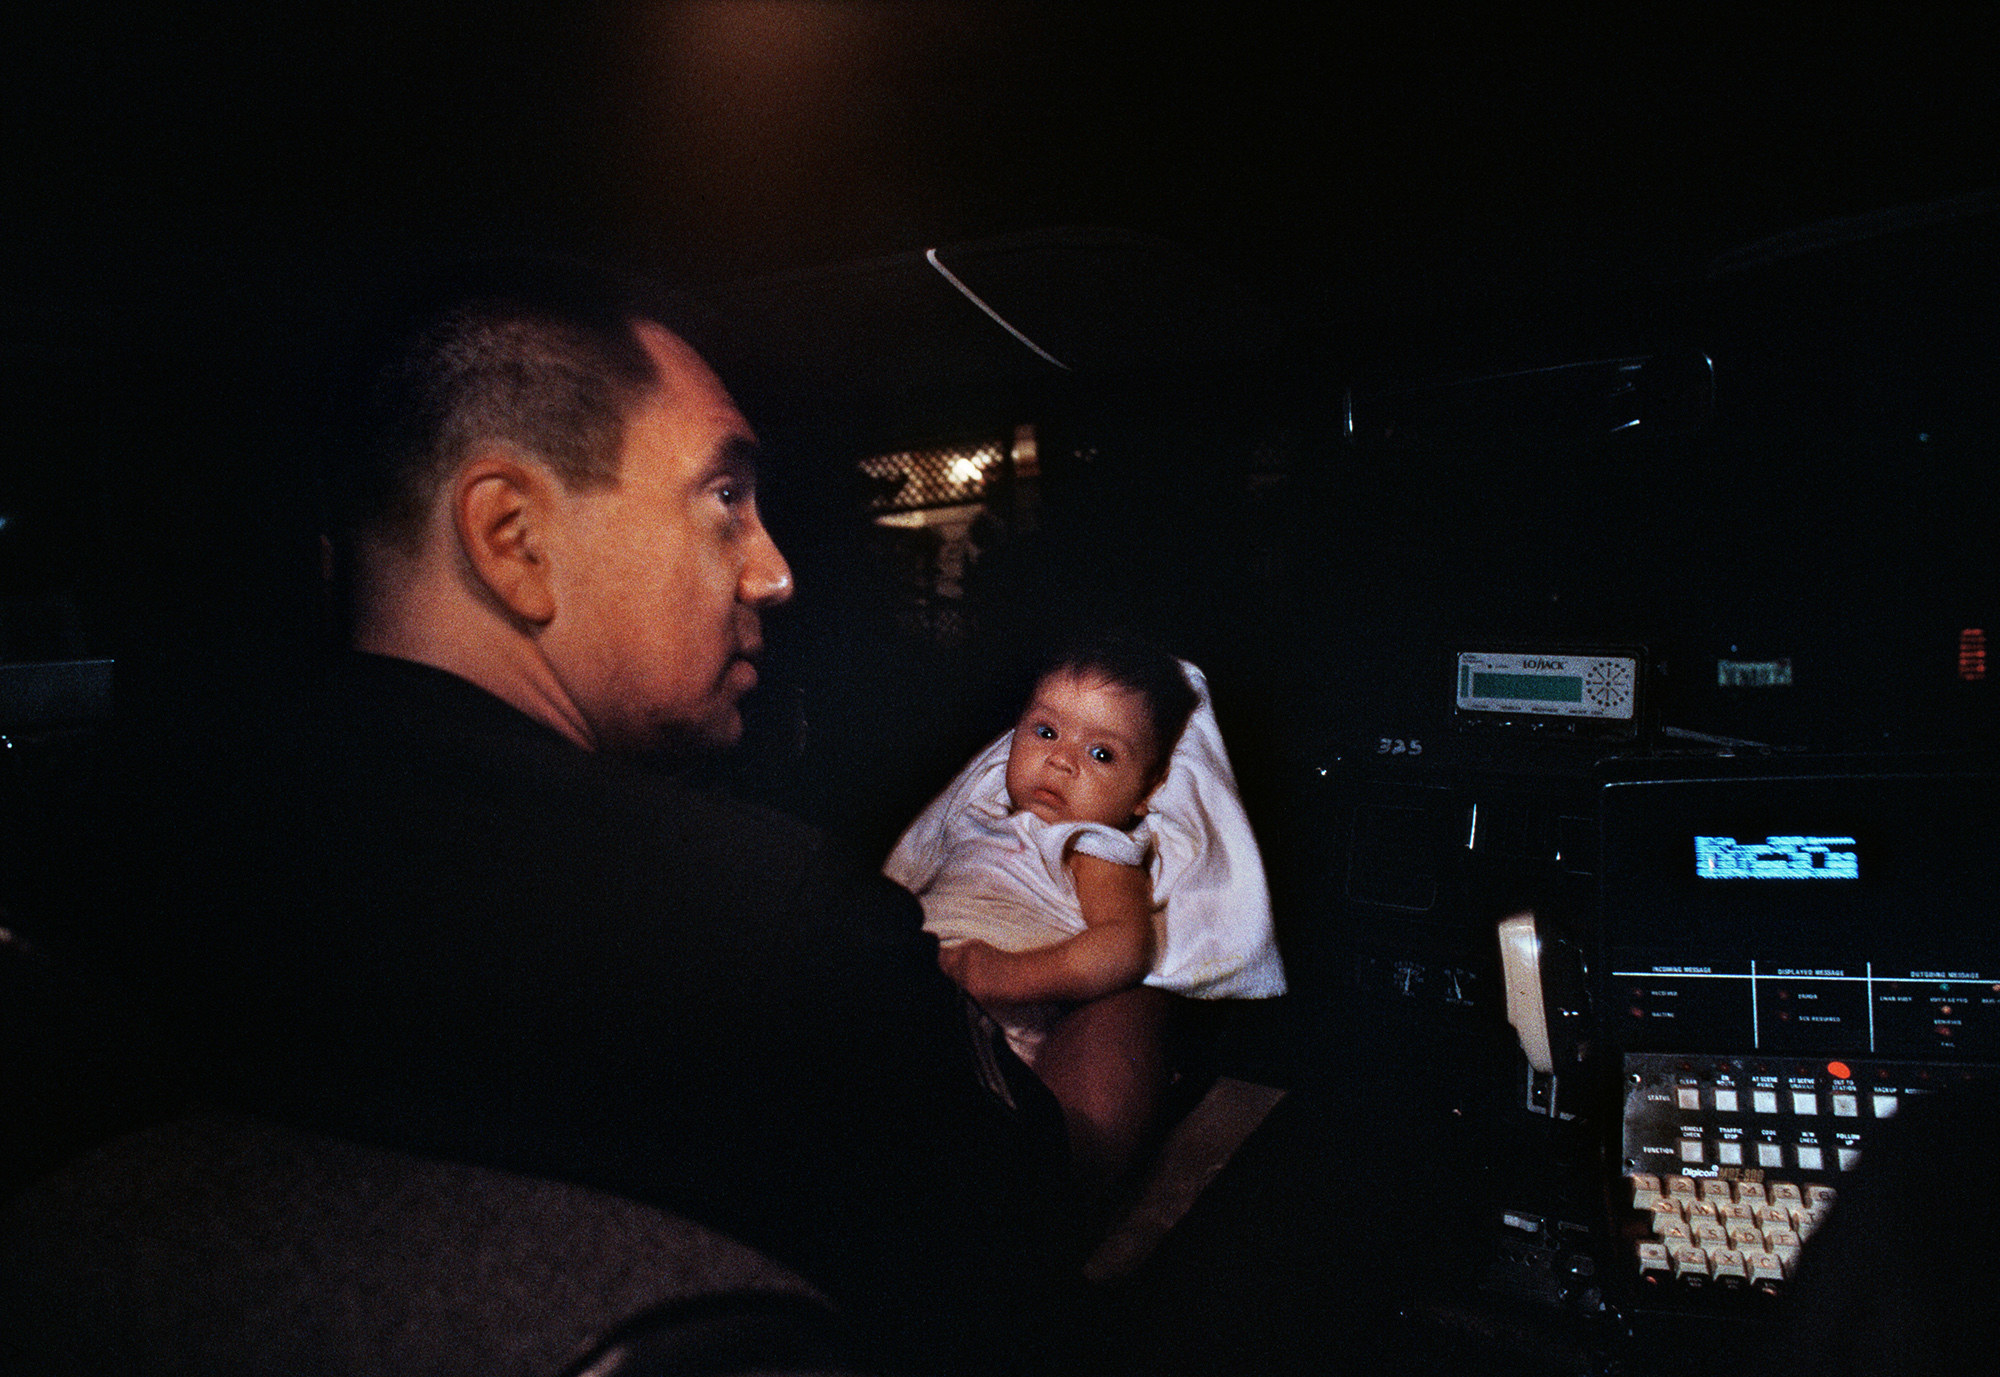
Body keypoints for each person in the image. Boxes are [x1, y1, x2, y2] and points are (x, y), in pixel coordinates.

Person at [103, 257, 1070, 1376]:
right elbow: (1037, 1227)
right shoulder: (769, 929)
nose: (773, 572)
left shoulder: (160, 850)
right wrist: (1153, 972)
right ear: (512, 538)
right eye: (724, 498)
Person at [884, 637, 1286, 1187]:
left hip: (985, 1019)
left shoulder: (1092, 845)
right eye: (1045, 731)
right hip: (912, 981)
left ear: (1147, 790)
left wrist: (1005, 975)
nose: (1061, 759)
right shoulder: (977, 817)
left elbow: (1123, 945)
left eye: (1102, 754)